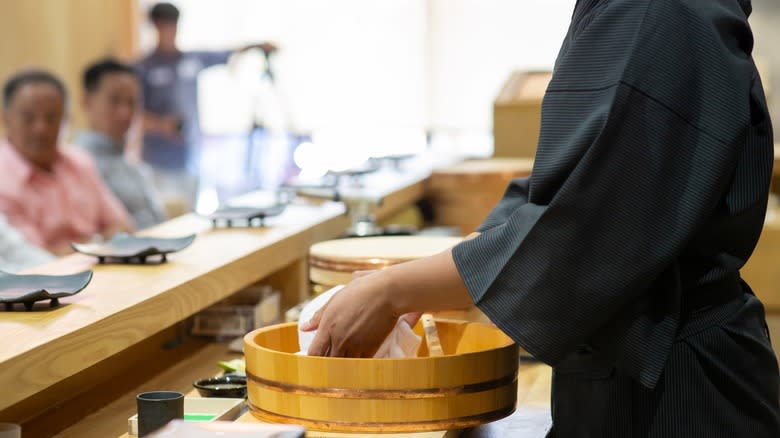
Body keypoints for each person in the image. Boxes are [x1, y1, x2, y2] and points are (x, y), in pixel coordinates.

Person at [303, 0, 780, 436]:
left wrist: (394, 291)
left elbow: (592, 225)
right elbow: (567, 181)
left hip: (676, 389)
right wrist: (432, 278)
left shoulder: (659, 11)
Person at [137, 2, 276, 208]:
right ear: (155, 27)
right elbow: (134, 115)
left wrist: (256, 46)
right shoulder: (143, 67)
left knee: (190, 214)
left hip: (191, 157)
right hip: (158, 162)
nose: (169, 32)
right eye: (164, 26)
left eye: (173, 26)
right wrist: (162, 125)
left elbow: (226, 53)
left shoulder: (192, 59)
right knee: (164, 218)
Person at [0, 70, 132, 255]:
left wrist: (92, 244)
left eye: (52, 117)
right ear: (5, 118)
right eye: (28, 117)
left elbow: (122, 225)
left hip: (106, 270)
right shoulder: (3, 180)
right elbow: (35, 258)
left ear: (66, 119)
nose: (41, 128)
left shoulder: (80, 161)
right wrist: (101, 242)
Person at [75, 58, 167, 230]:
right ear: (87, 102)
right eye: (114, 101)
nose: (125, 113)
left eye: (131, 102)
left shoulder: (128, 161)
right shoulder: (80, 164)